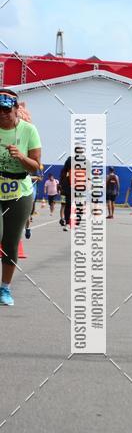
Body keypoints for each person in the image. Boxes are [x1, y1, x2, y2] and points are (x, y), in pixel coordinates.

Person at [0, 89, 42, 305]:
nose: (3, 114)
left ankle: (5, 289)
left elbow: (37, 167)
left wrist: (21, 157)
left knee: (10, 242)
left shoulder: (28, 131)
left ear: (16, 109)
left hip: (19, 191)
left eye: (7, 109)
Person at [59, 157, 72, 231]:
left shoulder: (75, 171)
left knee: (66, 206)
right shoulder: (63, 171)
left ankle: (67, 221)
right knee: (64, 205)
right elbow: (61, 180)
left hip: (69, 190)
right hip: (64, 191)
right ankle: (63, 219)